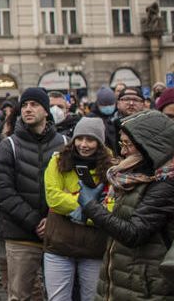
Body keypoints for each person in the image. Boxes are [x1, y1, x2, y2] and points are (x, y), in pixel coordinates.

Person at [80, 109, 174, 299]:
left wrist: (91, 207)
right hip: (122, 282)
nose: (122, 151)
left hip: (145, 287)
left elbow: (134, 233)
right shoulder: (137, 177)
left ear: (149, 146)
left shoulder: (165, 184)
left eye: (127, 144)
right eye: (121, 143)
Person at [0, 87, 67, 301]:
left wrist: (52, 219)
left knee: (59, 295)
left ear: (46, 111)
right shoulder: (9, 145)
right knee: (20, 295)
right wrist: (36, 221)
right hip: (20, 235)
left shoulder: (64, 144)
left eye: (34, 104)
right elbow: (3, 191)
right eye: (24, 105)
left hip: (59, 232)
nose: (27, 109)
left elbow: (71, 187)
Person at [42, 117, 114, 301]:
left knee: (93, 298)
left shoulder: (111, 168)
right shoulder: (58, 161)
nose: (83, 144)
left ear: (99, 142)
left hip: (94, 246)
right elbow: (53, 198)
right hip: (59, 243)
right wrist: (92, 208)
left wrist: (74, 204)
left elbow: (112, 207)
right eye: (79, 139)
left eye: (90, 139)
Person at [90, 86, 118, 153]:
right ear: (98, 104)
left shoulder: (117, 116)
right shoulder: (91, 118)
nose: (108, 107)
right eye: (105, 104)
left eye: (111, 104)